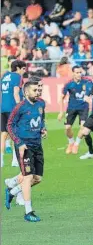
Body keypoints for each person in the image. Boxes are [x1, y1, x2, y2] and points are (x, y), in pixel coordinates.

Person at [5, 80, 47, 222]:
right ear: (26, 92)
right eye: (35, 90)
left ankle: (12, 191)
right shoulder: (20, 107)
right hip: (24, 146)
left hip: (37, 145)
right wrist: (19, 143)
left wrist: (43, 129)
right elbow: (9, 125)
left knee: (38, 179)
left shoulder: (41, 103)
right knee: (28, 177)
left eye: (39, 89)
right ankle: (28, 212)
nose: (38, 92)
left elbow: (42, 119)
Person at [57, 66, 90, 154]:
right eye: (77, 73)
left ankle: (76, 144)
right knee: (67, 128)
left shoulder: (87, 81)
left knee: (83, 127)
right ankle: (71, 143)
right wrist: (61, 112)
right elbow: (61, 98)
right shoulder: (69, 84)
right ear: (73, 73)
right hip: (71, 108)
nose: (79, 74)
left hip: (84, 107)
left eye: (80, 72)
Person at [1, 60, 26, 167]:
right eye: (23, 68)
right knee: (16, 134)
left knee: (3, 134)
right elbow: (16, 93)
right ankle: (15, 160)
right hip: (13, 108)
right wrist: (19, 108)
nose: (24, 71)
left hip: (3, 108)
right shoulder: (18, 77)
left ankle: (1, 160)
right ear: (18, 68)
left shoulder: (5, 76)